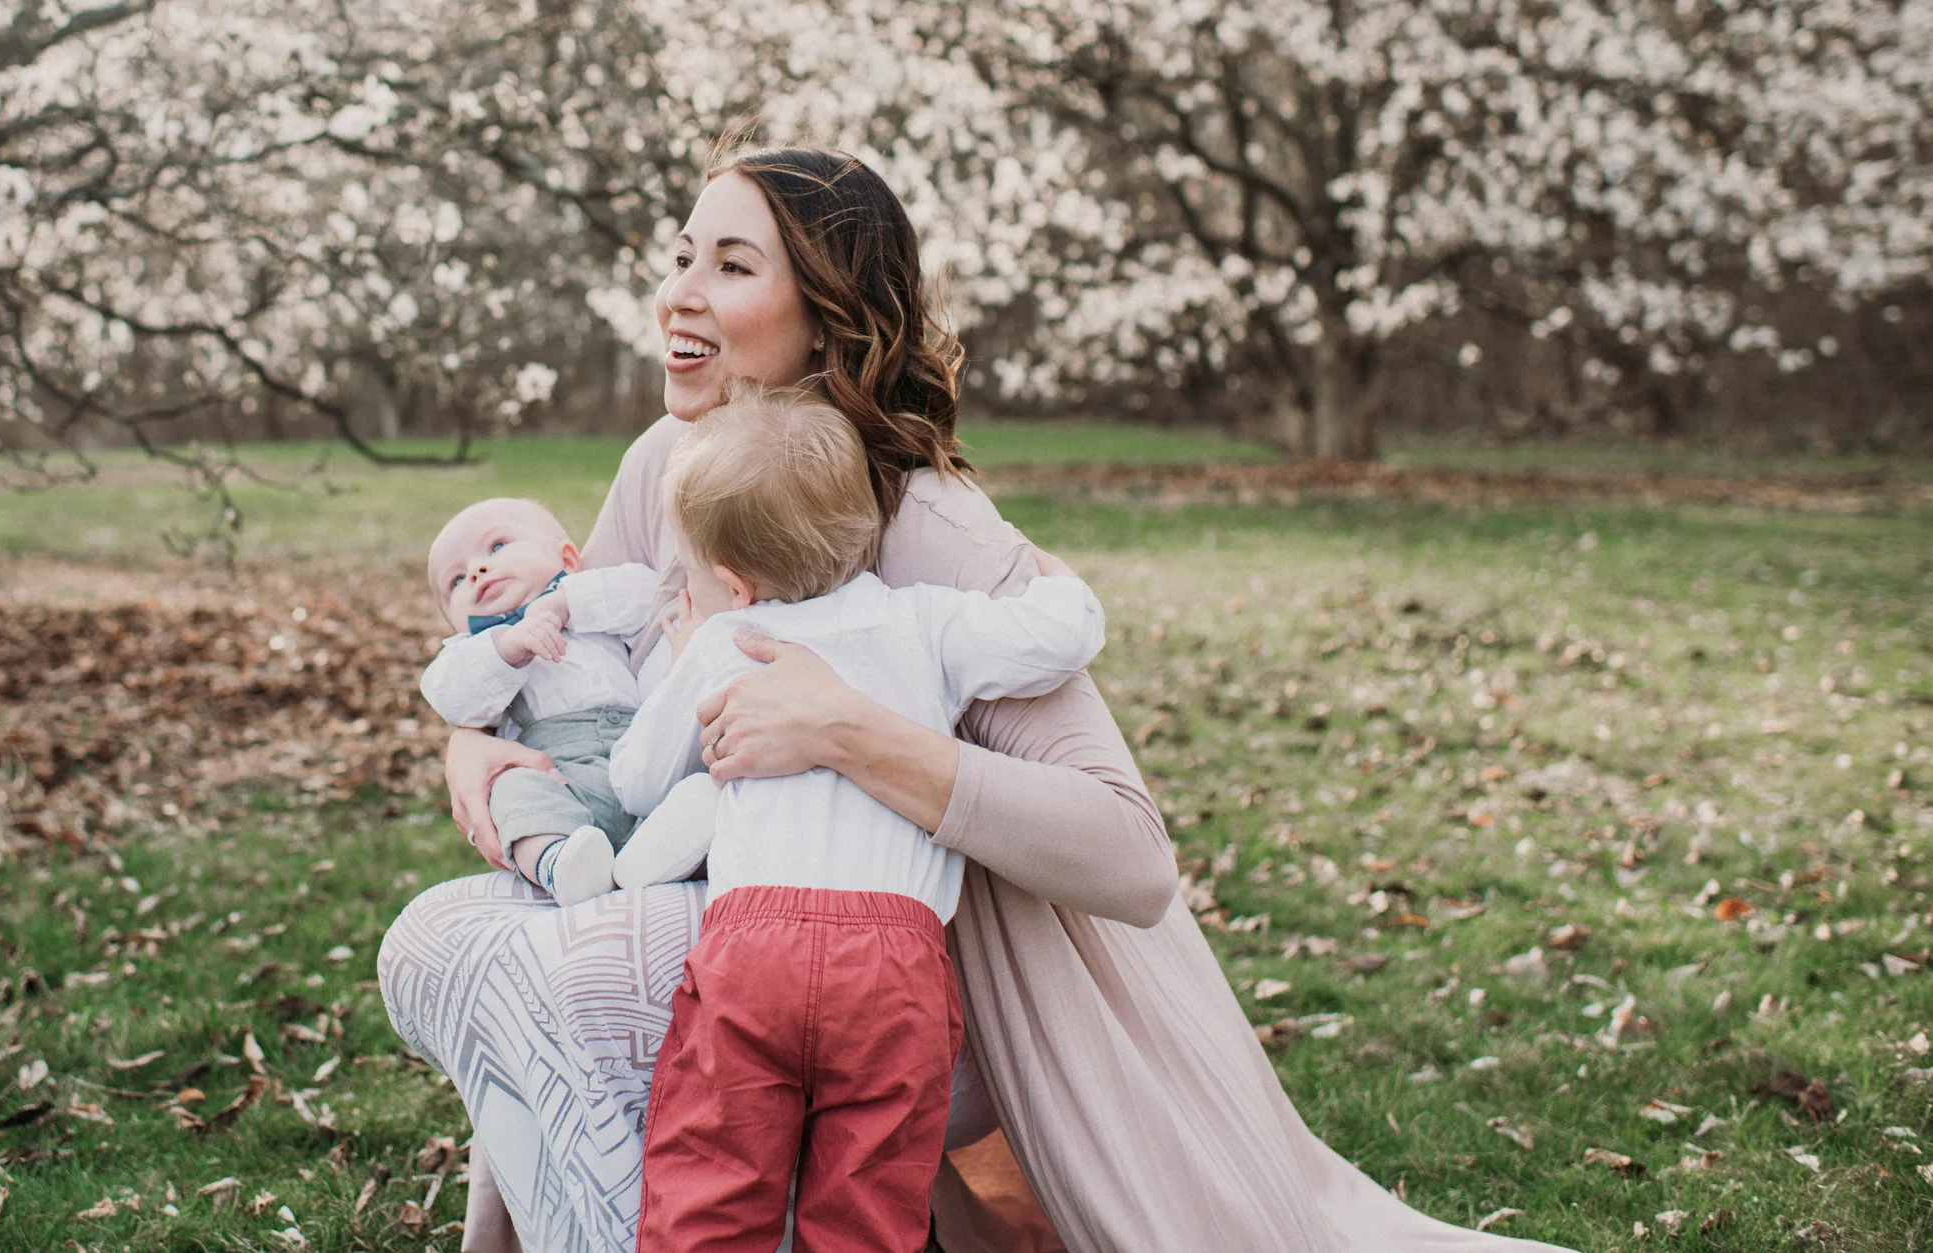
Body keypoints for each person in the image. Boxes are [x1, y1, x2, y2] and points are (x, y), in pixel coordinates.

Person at [377, 137, 1574, 1253]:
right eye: (681, 254)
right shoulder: (667, 462)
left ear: (830, 318)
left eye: (730, 264)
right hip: (718, 955)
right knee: (494, 950)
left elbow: (1129, 856)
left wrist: (849, 732)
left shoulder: (928, 527)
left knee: (593, 973)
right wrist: (472, 756)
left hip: (894, 1001)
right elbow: (573, 692)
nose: (677, 293)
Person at [611, 382, 1106, 1252]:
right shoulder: (924, 622)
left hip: (751, 955)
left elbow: (639, 781)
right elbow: (1063, 636)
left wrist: (687, 658)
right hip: (895, 966)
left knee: (711, 1178)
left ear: (734, 581)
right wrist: (1056, 579)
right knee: (870, 1204)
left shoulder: (732, 639)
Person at [421, 497, 710, 904]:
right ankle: (559, 863)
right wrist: (506, 648)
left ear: (568, 558)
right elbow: (449, 696)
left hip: (638, 749)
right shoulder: (471, 650)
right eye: (455, 580)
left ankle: (653, 858)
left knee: (681, 789)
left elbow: (649, 595)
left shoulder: (593, 600)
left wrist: (566, 604)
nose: (477, 571)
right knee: (512, 790)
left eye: (497, 547)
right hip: (558, 776)